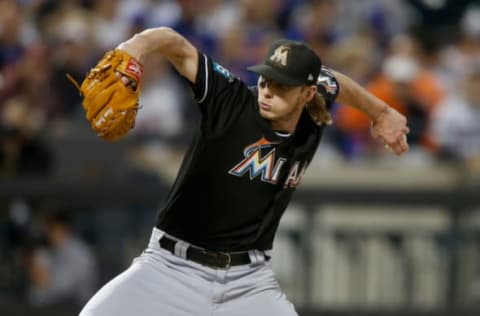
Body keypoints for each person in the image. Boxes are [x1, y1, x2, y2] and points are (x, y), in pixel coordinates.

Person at [79, 27, 409, 316]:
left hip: (249, 283)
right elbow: (174, 43)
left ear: (307, 93)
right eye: (267, 78)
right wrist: (132, 49)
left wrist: (380, 112)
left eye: (282, 85)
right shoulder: (231, 102)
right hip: (169, 270)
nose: (268, 89)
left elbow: (335, 81)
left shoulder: (315, 108)